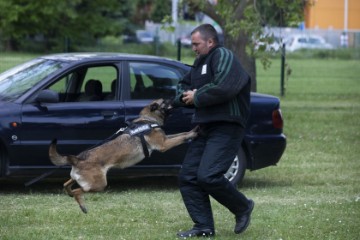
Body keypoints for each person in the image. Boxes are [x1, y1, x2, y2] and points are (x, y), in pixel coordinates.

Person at [173, 24, 254, 238]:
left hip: (227, 125)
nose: (193, 48)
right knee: (188, 176)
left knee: (208, 176)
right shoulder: (199, 64)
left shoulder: (223, 55)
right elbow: (181, 87)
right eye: (192, 44)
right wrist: (185, 95)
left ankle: (243, 207)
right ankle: (203, 227)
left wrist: (197, 96)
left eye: (196, 44)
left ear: (210, 41)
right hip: (205, 127)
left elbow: (225, 85)